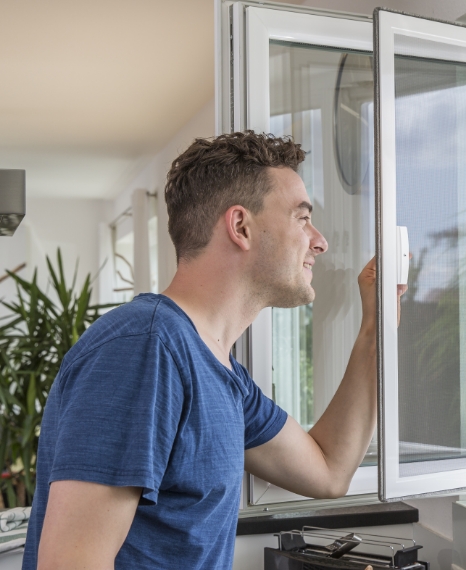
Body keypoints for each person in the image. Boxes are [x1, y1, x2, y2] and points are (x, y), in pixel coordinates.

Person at [22, 131, 405, 569]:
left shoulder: (220, 372)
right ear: (240, 226)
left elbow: (330, 468)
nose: (320, 241)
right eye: (302, 218)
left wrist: (375, 325)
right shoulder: (145, 349)